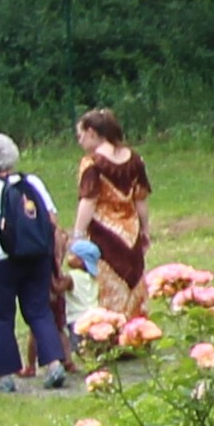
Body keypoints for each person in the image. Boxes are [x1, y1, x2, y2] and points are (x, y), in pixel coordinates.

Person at [0, 133, 72, 391]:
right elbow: (51, 220)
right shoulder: (31, 182)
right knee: (39, 310)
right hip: (37, 257)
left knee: (2, 316)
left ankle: (5, 376)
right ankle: (54, 364)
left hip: (1, 261)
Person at [73, 106, 152, 320]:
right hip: (131, 230)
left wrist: (78, 233)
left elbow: (89, 201)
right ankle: (136, 332)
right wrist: (145, 230)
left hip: (104, 232)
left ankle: (110, 332)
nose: (80, 141)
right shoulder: (135, 159)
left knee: (108, 282)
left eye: (80, 135)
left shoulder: (92, 164)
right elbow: (141, 198)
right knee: (134, 279)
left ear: (92, 133)